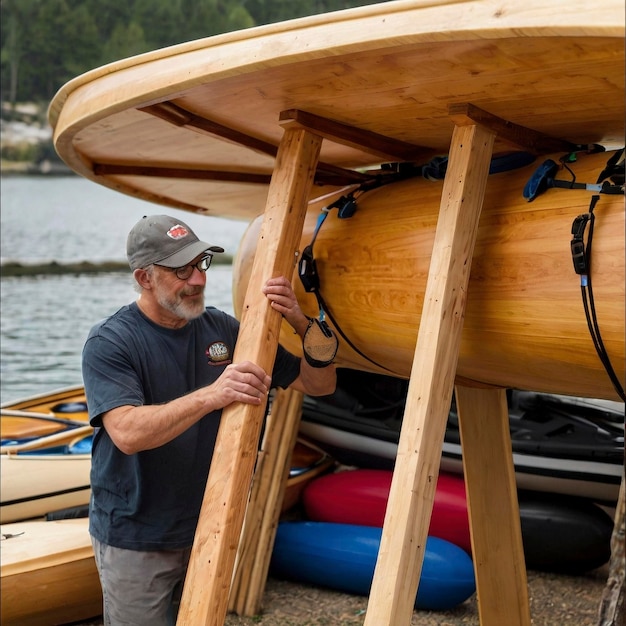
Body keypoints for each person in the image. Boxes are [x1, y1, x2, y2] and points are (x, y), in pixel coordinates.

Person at [82, 214, 337, 626]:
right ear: (144, 278)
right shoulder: (111, 341)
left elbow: (319, 383)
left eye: (201, 263)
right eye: (181, 269)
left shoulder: (223, 328)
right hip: (138, 535)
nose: (198, 280)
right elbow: (127, 433)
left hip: (210, 525)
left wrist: (300, 321)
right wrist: (213, 395)